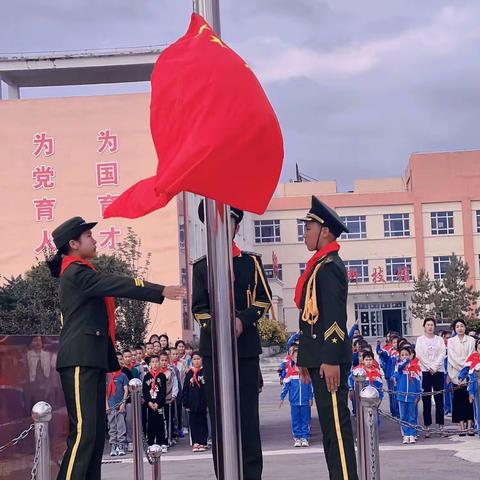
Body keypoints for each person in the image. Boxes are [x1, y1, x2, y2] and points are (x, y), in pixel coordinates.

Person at [47, 216, 185, 480]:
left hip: (90, 359)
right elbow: (117, 283)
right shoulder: (76, 272)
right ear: (73, 244)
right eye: (88, 236)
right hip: (79, 360)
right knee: (84, 432)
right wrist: (160, 290)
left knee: (96, 433)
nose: (94, 239)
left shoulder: (81, 271)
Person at [192, 202, 272, 480]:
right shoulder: (202, 266)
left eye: (229, 223)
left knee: (248, 419)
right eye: (216, 223)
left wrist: (242, 320)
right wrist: (218, 327)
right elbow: (199, 308)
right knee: (221, 420)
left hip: (245, 349)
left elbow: (264, 299)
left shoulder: (250, 262)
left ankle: (251, 475)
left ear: (236, 227)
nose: (223, 229)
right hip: (214, 351)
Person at [295, 196, 358, 480]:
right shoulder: (319, 264)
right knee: (330, 434)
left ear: (325, 231)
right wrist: (306, 359)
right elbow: (312, 319)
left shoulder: (329, 266)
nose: (304, 233)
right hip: (319, 361)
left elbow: (334, 318)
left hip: (329, 362)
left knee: (337, 431)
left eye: (308, 227)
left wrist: (330, 358)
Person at [415, 318, 446, 436]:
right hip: (425, 371)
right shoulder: (420, 340)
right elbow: (419, 355)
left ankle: (440, 425)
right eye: (428, 325)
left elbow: (442, 353)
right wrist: (429, 367)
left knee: (439, 399)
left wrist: (435, 366)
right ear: (424, 326)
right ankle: (427, 426)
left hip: (438, 371)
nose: (430, 327)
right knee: (426, 399)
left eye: (432, 325)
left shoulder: (439, 340)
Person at [279, 347, 314, 448]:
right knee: (295, 420)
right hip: (294, 401)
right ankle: (297, 438)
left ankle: (305, 437)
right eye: (296, 356)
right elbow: (286, 386)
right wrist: (282, 398)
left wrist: (310, 397)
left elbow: (309, 386)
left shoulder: (306, 372)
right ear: (292, 358)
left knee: (305, 419)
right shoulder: (290, 372)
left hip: (304, 401)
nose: (298, 358)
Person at [448, 319, 475, 435]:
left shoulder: (471, 340)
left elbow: (471, 356)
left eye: (462, 326)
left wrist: (465, 369)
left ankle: (469, 426)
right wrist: (461, 371)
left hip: (469, 373)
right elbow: (452, 357)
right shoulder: (451, 341)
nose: (460, 328)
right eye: (457, 326)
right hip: (456, 374)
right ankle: (461, 426)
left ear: (465, 327)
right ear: (454, 328)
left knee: (469, 400)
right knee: (458, 400)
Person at [393, 345, 422, 444]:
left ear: (411, 355)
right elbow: (396, 374)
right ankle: (405, 434)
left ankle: (412, 434)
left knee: (412, 416)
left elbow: (418, 382)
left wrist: (418, 395)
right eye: (402, 355)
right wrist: (405, 361)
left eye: (406, 355)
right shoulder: (399, 366)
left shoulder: (415, 367)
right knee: (403, 416)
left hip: (412, 396)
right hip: (401, 396)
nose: (404, 356)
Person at [182, 351, 208, 452]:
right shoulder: (189, 373)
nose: (196, 361)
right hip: (192, 403)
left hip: (202, 402)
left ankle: (203, 442)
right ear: (191, 361)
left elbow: (208, 388)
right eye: (194, 359)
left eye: (198, 359)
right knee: (193, 423)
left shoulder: (205, 372)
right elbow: (185, 389)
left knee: (202, 422)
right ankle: (195, 442)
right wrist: (185, 402)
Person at [142, 355, 168, 450]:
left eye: (157, 362)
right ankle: (151, 442)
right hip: (150, 405)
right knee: (151, 423)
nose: (155, 364)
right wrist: (149, 402)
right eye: (153, 362)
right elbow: (145, 391)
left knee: (161, 423)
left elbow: (163, 391)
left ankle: (163, 442)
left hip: (159, 404)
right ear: (149, 364)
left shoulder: (162, 376)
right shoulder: (146, 377)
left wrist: (158, 403)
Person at [106, 364, 129, 456]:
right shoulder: (107, 376)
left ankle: (121, 445)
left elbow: (126, 390)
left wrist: (123, 403)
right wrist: (106, 406)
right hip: (110, 406)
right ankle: (113, 445)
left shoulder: (122, 376)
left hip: (120, 406)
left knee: (121, 426)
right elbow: (104, 391)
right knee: (112, 426)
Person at [458, 338, 480, 436]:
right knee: (477, 408)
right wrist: (460, 378)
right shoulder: (473, 357)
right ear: (477, 348)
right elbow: (465, 369)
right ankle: (479, 429)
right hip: (475, 386)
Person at [441, 330, 453, 416]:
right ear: (444, 338)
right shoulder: (441, 348)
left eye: (450, 337)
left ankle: (453, 408)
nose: (448, 339)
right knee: (446, 391)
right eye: (447, 337)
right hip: (444, 373)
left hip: (453, 372)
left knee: (453, 391)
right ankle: (447, 408)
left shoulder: (453, 348)